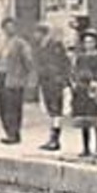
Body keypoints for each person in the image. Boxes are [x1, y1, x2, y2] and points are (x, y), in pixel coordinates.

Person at [0, 17, 36, 144]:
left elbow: (29, 61)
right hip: (1, 77)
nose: (9, 29)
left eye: (11, 26)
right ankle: (7, 131)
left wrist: (29, 78)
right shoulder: (2, 43)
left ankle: (14, 133)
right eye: (6, 27)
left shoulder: (21, 43)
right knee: (3, 107)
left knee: (13, 107)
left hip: (14, 78)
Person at [33, 22, 72, 152]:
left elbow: (64, 63)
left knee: (56, 110)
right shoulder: (41, 46)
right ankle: (52, 138)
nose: (35, 36)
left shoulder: (55, 46)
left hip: (55, 82)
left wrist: (62, 79)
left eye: (37, 33)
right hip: (46, 82)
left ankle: (55, 139)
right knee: (51, 110)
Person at [67, 31, 97, 157]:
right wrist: (75, 84)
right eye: (86, 42)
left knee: (96, 120)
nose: (88, 44)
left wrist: (95, 84)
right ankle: (86, 147)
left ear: (96, 44)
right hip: (82, 92)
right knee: (84, 121)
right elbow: (75, 72)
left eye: (91, 42)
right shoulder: (81, 58)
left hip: (93, 90)